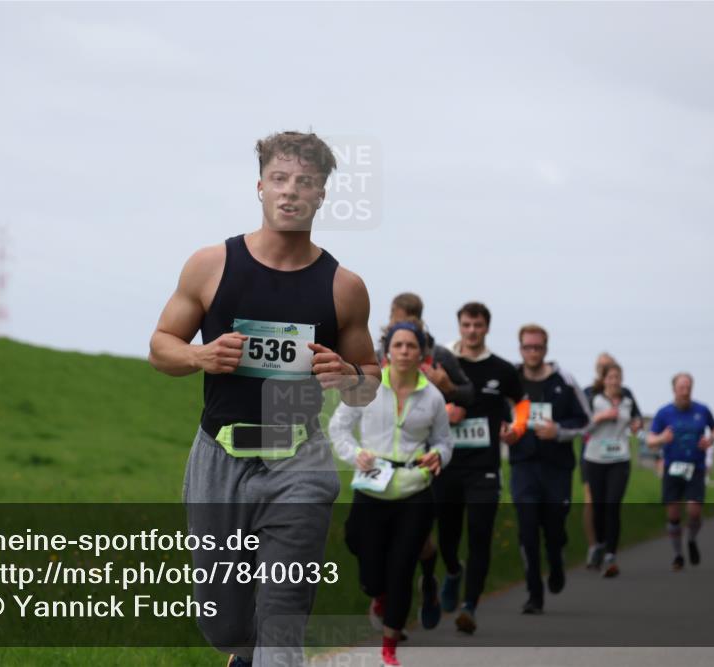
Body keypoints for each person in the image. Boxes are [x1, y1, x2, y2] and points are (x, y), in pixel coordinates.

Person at [148, 131, 380, 667]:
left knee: (281, 619)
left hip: (299, 458)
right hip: (219, 456)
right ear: (260, 187)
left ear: (322, 195)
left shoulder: (344, 286)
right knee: (226, 625)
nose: (290, 191)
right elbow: (161, 347)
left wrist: (347, 374)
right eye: (279, 179)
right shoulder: (211, 265)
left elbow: (368, 384)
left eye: (305, 182)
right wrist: (200, 358)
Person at [330, 320, 453, 667]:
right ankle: (377, 594)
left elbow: (444, 441)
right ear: (387, 351)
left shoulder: (433, 397)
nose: (403, 352)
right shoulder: (366, 388)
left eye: (410, 346)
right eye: (397, 345)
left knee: (401, 567)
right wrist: (356, 454)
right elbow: (338, 428)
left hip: (414, 488)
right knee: (363, 554)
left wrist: (438, 456)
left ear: (421, 353)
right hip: (372, 483)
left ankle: (389, 646)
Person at [375, 293, 474, 628]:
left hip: (426, 459)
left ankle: (428, 583)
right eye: (396, 317)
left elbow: (468, 393)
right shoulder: (381, 354)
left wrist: (449, 391)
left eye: (409, 317)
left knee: (419, 538)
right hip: (385, 455)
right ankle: (392, 608)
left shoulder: (440, 355)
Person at [433, 302, 529, 634]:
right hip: (445, 463)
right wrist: (447, 408)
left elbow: (522, 403)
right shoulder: (442, 363)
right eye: (467, 325)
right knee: (447, 535)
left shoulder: (502, 369)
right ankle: (453, 571)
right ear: (459, 326)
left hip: (484, 467)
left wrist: (517, 428)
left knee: (480, 535)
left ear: (487, 328)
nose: (472, 331)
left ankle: (470, 605)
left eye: (478, 325)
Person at [510, 324, 590, 613]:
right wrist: (505, 432)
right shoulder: (512, 381)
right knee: (527, 529)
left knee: (553, 530)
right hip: (523, 466)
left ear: (546, 349)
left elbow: (585, 420)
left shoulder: (564, 381)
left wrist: (558, 430)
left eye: (538, 347)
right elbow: (497, 416)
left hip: (557, 468)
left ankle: (556, 561)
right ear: (520, 349)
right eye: (527, 347)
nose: (532, 352)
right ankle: (534, 593)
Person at [647, 373, 714, 572]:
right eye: (682, 387)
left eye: (688, 387)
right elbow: (650, 440)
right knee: (673, 514)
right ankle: (678, 555)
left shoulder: (702, 410)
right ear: (674, 389)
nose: (685, 391)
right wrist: (662, 438)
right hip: (673, 468)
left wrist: (710, 440)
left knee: (694, 511)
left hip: (696, 467)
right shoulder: (664, 413)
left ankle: (692, 539)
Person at [582, 352, 642, 569]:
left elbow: (636, 420)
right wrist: (601, 416)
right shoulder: (592, 397)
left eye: (617, 377)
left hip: (620, 458)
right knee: (597, 506)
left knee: (613, 504)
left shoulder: (627, 399)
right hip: (595, 458)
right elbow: (582, 423)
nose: (614, 381)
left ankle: (610, 555)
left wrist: (636, 426)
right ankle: (597, 544)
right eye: (610, 377)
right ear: (603, 379)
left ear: (621, 379)